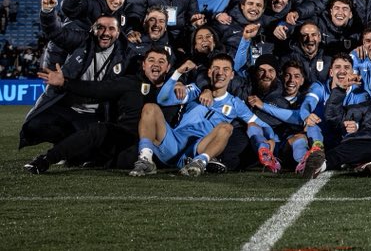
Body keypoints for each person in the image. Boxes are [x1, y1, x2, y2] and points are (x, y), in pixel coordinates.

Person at [24, 48, 174, 174]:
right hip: (123, 136)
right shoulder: (128, 83)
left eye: (161, 61)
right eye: (151, 60)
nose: (156, 64)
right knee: (98, 129)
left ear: (168, 67)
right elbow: (96, 89)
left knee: (126, 159)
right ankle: (47, 159)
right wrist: (65, 83)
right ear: (143, 65)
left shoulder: (176, 90)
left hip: (153, 145)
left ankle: (96, 159)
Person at [131, 54, 272, 177]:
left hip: (198, 148)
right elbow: (163, 99)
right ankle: (146, 160)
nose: (220, 73)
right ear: (209, 72)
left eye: (226, 69)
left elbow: (262, 124)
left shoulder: (236, 104)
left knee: (226, 127)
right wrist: (178, 73)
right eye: (216, 68)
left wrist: (271, 140)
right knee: (150, 107)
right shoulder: (195, 91)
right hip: (173, 142)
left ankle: (199, 163)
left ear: (232, 75)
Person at [21, 9, 130, 149]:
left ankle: (74, 148)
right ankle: (64, 143)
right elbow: (56, 32)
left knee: (94, 148)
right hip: (69, 109)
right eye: (100, 27)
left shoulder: (125, 56)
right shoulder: (80, 41)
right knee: (34, 125)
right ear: (92, 29)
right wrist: (47, 13)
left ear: (119, 32)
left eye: (111, 29)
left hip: (97, 114)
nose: (106, 33)